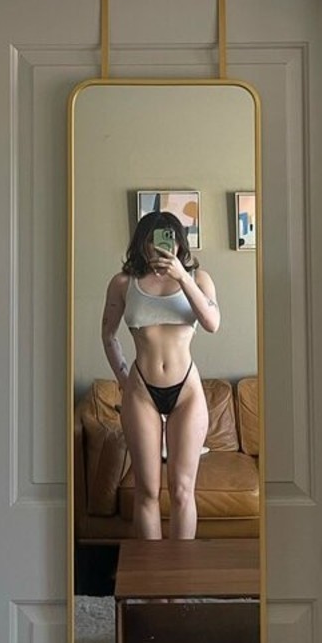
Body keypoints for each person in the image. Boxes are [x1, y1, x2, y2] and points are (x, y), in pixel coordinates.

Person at [101, 211, 220, 540]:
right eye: (153, 240)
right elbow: (108, 336)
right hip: (142, 392)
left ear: (180, 243)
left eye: (170, 239)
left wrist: (182, 277)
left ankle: (180, 573)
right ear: (142, 243)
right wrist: (124, 381)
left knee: (182, 490)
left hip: (187, 393)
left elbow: (212, 323)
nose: (162, 247)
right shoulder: (123, 283)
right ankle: (153, 574)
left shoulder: (199, 278)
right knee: (147, 491)